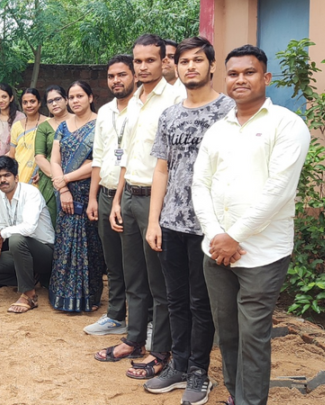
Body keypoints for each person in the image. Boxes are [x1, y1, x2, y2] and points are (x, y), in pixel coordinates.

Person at [192, 44, 310, 405]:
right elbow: (201, 184)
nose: (240, 79)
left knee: (254, 336)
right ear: (224, 78)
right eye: (233, 73)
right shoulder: (218, 130)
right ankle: (235, 394)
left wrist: (234, 237)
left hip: (262, 253)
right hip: (217, 252)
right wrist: (216, 236)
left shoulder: (287, 125)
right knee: (226, 333)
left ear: (266, 78)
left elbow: (278, 190)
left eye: (249, 72)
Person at [142, 37, 235, 404]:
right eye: (184, 61)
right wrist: (154, 221)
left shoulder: (228, 110)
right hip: (172, 223)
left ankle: (199, 371)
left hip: (209, 227)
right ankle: (178, 365)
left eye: (199, 60)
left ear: (212, 66)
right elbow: (161, 170)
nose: (191, 66)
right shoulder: (170, 114)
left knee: (201, 303)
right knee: (175, 299)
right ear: (176, 67)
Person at [98, 34, 183, 380]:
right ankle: (134, 340)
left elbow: (173, 163)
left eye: (150, 60)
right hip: (129, 195)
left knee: (159, 283)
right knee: (134, 276)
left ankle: (160, 351)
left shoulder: (176, 98)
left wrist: (159, 212)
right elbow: (127, 155)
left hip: (156, 201)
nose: (143, 67)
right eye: (138, 61)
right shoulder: (134, 100)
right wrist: (117, 198)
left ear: (164, 61)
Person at [84, 54, 136, 336]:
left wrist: (118, 197)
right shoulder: (105, 112)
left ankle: (146, 322)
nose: (116, 81)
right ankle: (116, 316)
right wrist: (93, 198)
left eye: (122, 75)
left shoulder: (142, 110)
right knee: (113, 262)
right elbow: (99, 157)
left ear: (134, 76)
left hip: (132, 195)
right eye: (112, 76)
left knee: (136, 265)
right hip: (104, 193)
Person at [48, 81, 104, 313]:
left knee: (90, 245)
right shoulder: (62, 127)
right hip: (65, 195)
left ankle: (89, 297)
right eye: (71, 97)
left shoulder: (101, 125)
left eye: (80, 96)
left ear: (90, 97)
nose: (75, 101)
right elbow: (54, 160)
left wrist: (66, 179)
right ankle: (62, 297)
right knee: (65, 243)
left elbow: (96, 163)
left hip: (88, 192)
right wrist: (62, 189)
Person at [0, 156, 55, 313]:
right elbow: (4, 224)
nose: (2, 180)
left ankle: (29, 295)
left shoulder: (31, 193)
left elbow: (28, 228)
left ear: (16, 177)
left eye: (7, 175)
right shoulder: (1, 196)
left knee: (16, 239)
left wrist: (1, 235)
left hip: (44, 252)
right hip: (21, 253)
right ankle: (29, 279)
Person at [35, 85, 72, 225]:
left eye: (58, 99)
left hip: (79, 179)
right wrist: (59, 180)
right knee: (52, 221)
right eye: (50, 101)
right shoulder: (44, 127)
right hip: (51, 182)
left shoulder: (80, 121)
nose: (54, 104)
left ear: (66, 100)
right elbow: (39, 156)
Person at [9, 88, 48, 184]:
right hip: (19, 177)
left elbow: (53, 153)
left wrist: (43, 171)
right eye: (25, 102)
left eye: (32, 101)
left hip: (40, 177)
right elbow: (12, 155)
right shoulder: (17, 126)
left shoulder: (49, 123)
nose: (29, 105)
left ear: (39, 103)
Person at [0, 83, 24, 167]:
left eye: (4, 97)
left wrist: (3, 162)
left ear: (11, 98)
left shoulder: (20, 118)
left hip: (14, 164)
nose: (1, 100)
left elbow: (21, 144)